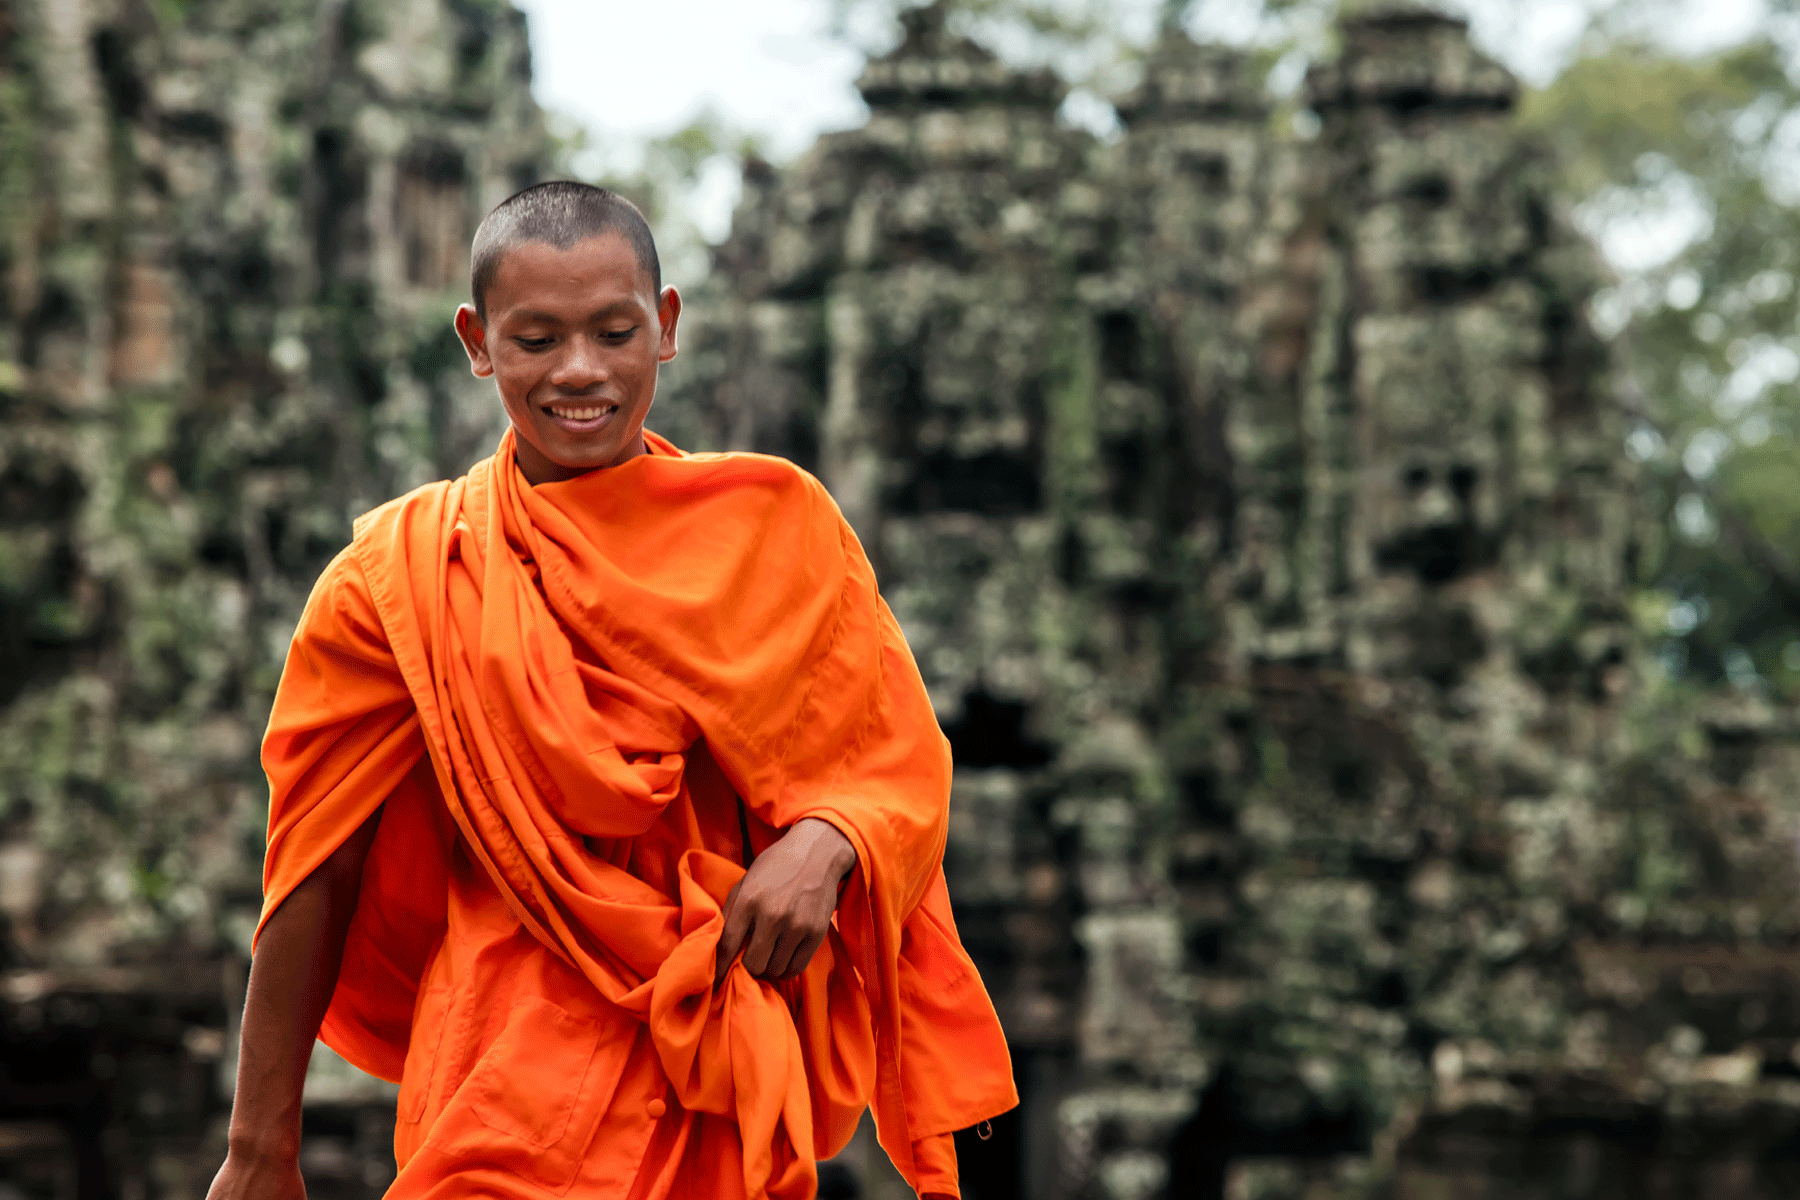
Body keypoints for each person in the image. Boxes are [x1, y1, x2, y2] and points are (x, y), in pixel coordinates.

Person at [205, 181, 1016, 1200]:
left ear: (666, 326)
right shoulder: (400, 576)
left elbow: (893, 759)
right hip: (496, 1082)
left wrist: (832, 840)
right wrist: (259, 1147)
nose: (580, 372)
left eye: (614, 331)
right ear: (477, 341)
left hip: (714, 1067)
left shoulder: (775, 527)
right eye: (537, 339)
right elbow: (314, 865)